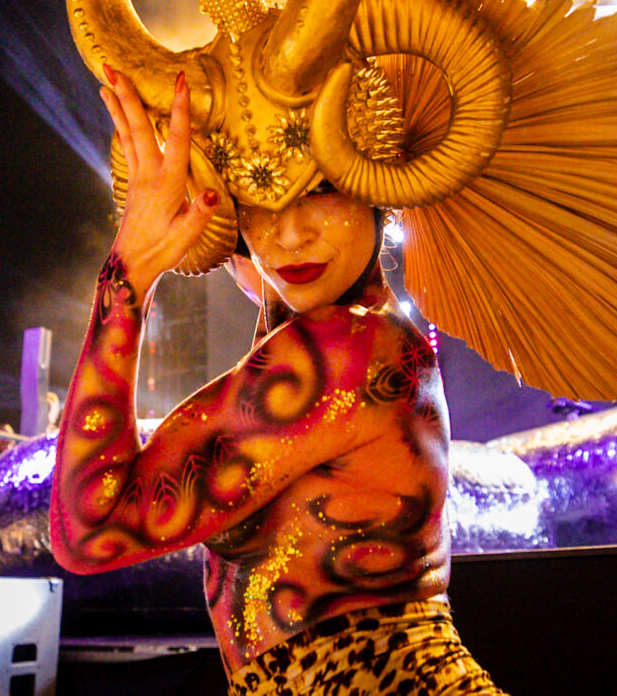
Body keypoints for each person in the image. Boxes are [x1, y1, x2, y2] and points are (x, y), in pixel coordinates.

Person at [52, 69, 504, 693]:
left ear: (377, 190)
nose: (289, 234)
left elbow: (88, 528)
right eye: (258, 198)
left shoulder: (346, 345)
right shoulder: (342, 337)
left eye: (321, 188)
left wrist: (130, 272)